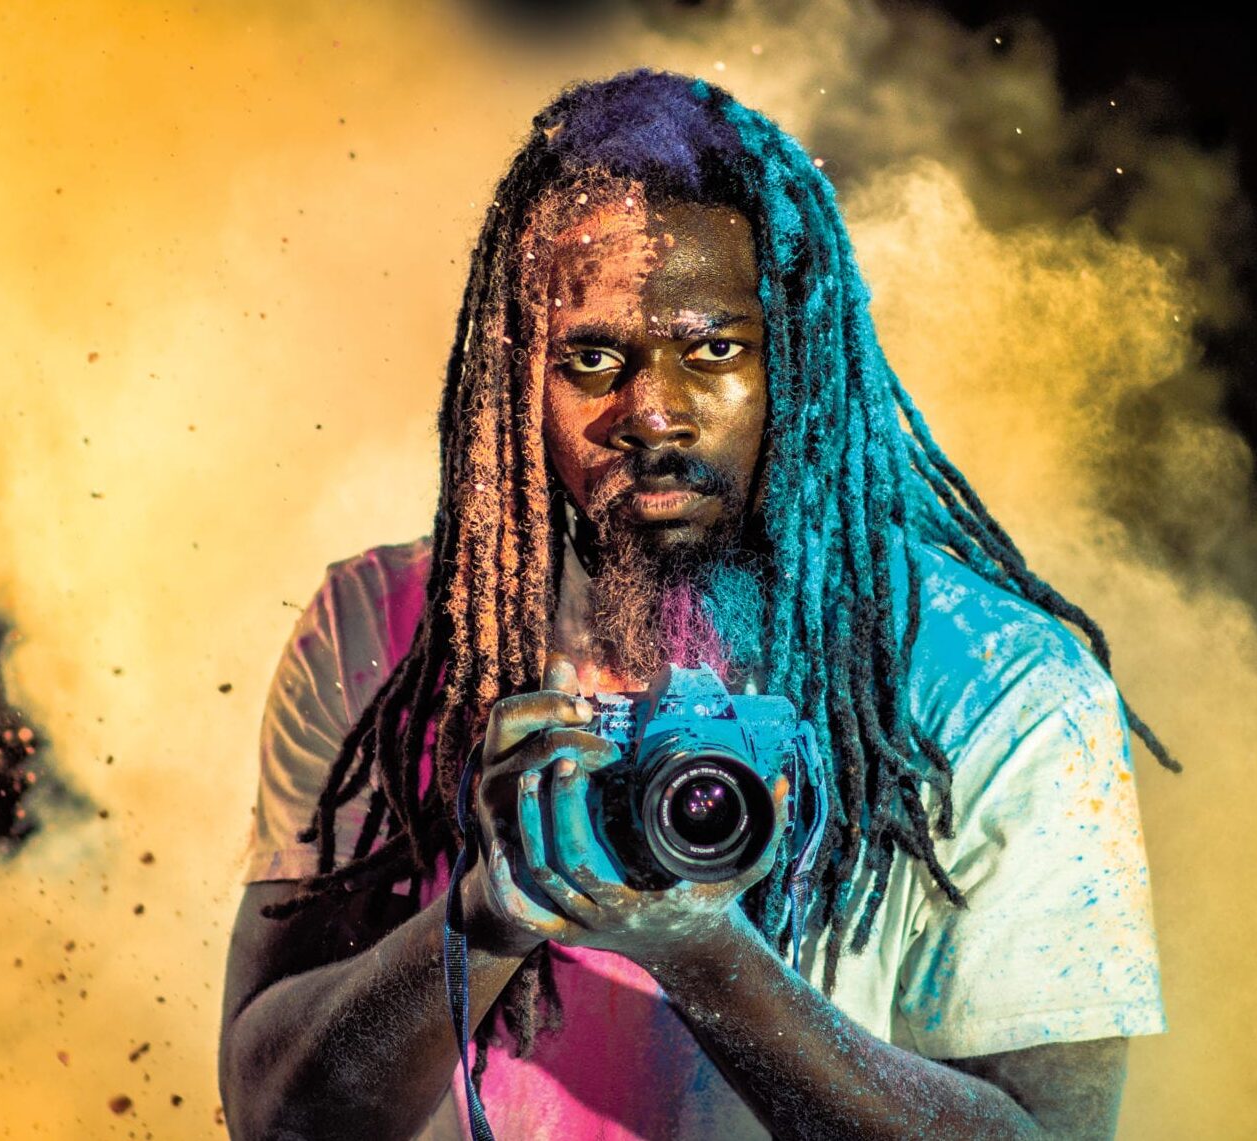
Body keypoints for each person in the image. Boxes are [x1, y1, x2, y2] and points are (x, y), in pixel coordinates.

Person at [219, 69, 1175, 1141]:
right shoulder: (380, 633)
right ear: (515, 377)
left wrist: (698, 947)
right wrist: (485, 918)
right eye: (593, 358)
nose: (655, 412)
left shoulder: (1002, 682)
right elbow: (274, 1120)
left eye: (714, 349)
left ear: (797, 364)